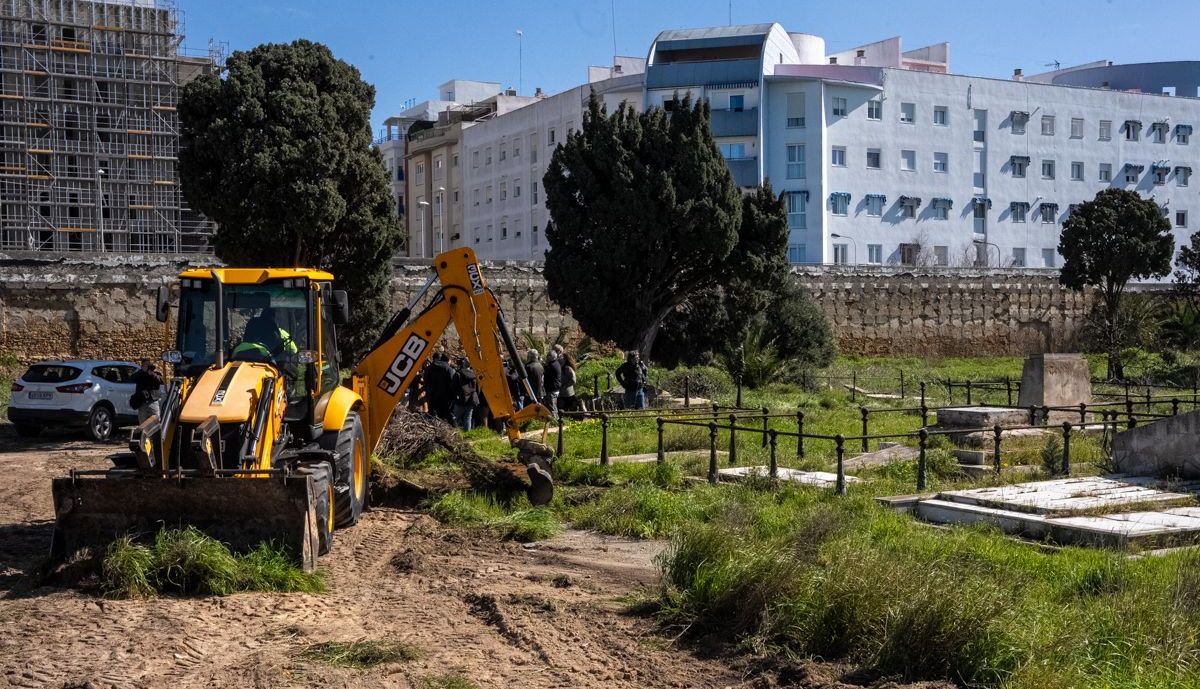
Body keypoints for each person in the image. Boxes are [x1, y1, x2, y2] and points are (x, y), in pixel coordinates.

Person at [422, 352, 456, 423]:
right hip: (445, 397)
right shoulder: (448, 369)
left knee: (432, 415)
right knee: (445, 416)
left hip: (432, 395)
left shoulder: (429, 368)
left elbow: (426, 381)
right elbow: (452, 383)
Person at [130, 358, 163, 423]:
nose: (146, 366)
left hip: (153, 401)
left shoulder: (155, 374)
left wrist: (152, 374)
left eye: (148, 365)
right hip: (142, 402)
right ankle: (144, 433)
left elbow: (160, 381)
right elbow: (132, 378)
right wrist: (142, 371)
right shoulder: (139, 374)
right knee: (143, 422)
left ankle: (156, 433)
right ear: (142, 366)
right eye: (145, 365)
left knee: (156, 421)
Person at [451, 357, 480, 431]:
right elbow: (478, 388)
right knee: (468, 418)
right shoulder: (474, 374)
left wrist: (454, 396)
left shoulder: (458, 374)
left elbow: (453, 387)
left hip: (460, 399)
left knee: (455, 418)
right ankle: (468, 434)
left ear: (463, 363)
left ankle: (455, 435)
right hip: (471, 399)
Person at [543, 349, 562, 417]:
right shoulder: (556, 363)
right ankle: (555, 420)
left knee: (552, 407)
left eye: (548, 355)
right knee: (553, 406)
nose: (547, 357)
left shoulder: (551, 365)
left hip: (552, 389)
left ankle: (555, 422)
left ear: (552, 357)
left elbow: (545, 372)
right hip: (555, 388)